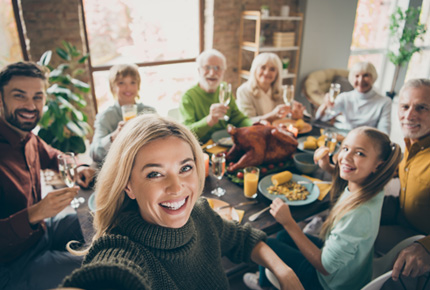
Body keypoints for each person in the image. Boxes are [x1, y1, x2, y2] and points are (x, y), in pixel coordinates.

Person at [61, 114, 303, 289]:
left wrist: (284, 270)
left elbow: (242, 239)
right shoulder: (122, 250)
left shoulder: (201, 214)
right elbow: (107, 278)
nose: (177, 188)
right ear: (128, 185)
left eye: (185, 167)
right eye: (154, 173)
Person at [244, 126, 402, 290]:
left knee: (266, 243)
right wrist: (328, 167)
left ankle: (263, 284)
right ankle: (266, 278)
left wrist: (288, 222)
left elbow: (324, 267)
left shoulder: (358, 213)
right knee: (284, 236)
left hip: (328, 283)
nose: (346, 156)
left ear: (377, 165)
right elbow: (350, 181)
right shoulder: (373, 187)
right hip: (352, 272)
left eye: (360, 153)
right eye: (346, 148)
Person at [0, 61, 95, 290]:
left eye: (38, 97)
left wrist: (80, 166)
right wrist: (34, 214)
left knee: (100, 218)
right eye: (19, 96)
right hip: (13, 265)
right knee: (100, 265)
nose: (31, 105)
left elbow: (53, 155)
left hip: (43, 231)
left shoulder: (27, 136)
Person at [376, 79, 430, 286]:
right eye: (405, 107)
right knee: (345, 218)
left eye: (422, 108)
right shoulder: (412, 143)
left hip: (420, 238)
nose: (409, 115)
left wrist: (426, 247)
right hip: (401, 217)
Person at [179, 49, 252, 143]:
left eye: (217, 68)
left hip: (224, 142)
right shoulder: (188, 96)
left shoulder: (224, 89)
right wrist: (209, 120)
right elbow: (186, 133)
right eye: (207, 67)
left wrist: (254, 126)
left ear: (223, 71)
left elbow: (238, 118)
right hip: (201, 147)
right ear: (199, 71)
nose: (212, 73)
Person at [90, 63, 156, 166]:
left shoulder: (150, 112)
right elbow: (94, 154)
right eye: (121, 83)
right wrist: (113, 137)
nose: (128, 88)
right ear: (113, 87)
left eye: (132, 82)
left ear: (138, 86)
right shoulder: (106, 116)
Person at [315, 61, 392, 135]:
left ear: (373, 77)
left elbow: (384, 133)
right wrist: (325, 104)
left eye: (366, 75)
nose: (360, 80)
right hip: (345, 138)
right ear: (352, 78)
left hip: (368, 142)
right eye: (357, 76)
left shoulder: (385, 102)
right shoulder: (345, 97)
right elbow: (321, 118)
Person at [236, 53, 305, 123]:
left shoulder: (282, 91)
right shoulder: (243, 91)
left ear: (277, 73)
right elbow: (247, 121)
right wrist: (272, 116)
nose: (266, 72)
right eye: (263, 67)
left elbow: (297, 112)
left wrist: (297, 113)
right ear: (255, 69)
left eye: (272, 69)